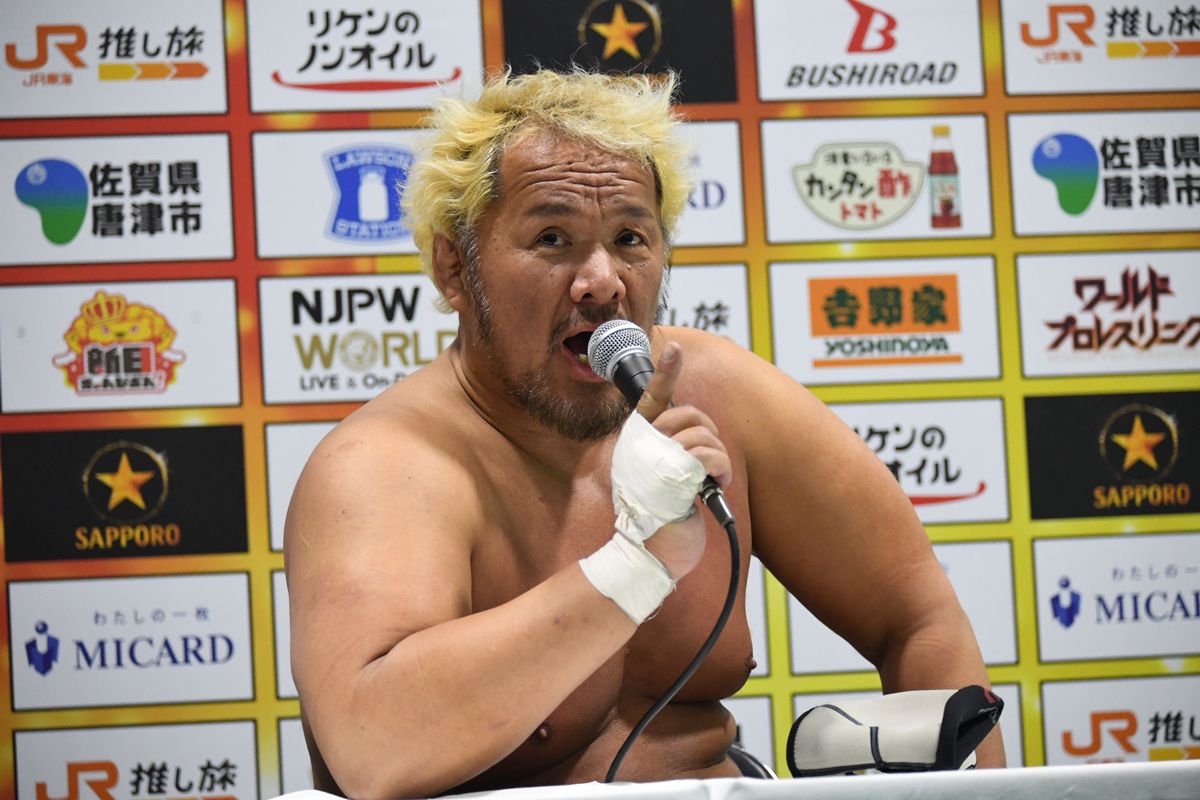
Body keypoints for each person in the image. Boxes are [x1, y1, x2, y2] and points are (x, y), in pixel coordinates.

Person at [284, 69, 1004, 800]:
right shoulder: (385, 466)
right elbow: (373, 750)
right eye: (552, 239)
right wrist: (634, 567)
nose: (602, 280)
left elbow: (918, 619)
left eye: (630, 238)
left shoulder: (720, 395)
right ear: (454, 269)